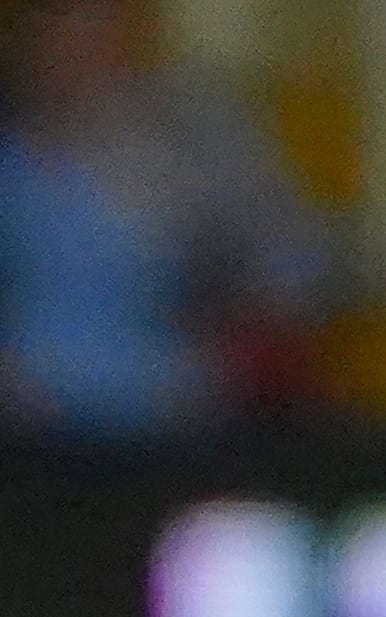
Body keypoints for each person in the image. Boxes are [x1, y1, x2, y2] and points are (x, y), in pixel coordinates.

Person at [0, 0, 325, 436]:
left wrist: (243, 331)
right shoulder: (15, 152)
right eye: (54, 20)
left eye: (97, 20)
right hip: (23, 429)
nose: (72, 42)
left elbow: (293, 264)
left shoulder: (197, 139)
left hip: (173, 423)